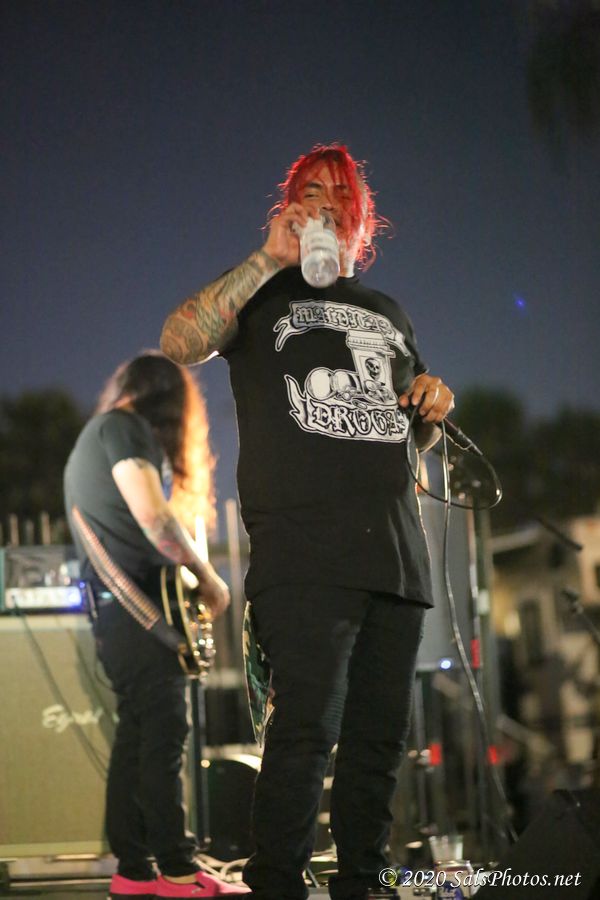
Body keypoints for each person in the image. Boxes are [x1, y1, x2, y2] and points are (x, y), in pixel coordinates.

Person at [160, 144, 455, 900]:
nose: (325, 201)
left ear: (361, 217)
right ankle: (278, 884)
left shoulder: (389, 313)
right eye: (309, 190)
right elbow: (178, 342)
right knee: (304, 734)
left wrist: (429, 408)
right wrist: (269, 256)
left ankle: (364, 883)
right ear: (289, 206)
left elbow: (400, 435)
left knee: (377, 746)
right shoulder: (260, 294)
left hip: (395, 557)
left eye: (339, 192)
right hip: (303, 554)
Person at [64, 351, 249, 900]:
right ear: (168, 400)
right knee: (165, 740)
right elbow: (153, 517)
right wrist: (209, 578)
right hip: (141, 616)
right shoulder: (123, 428)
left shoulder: (95, 435)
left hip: (118, 617)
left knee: (137, 740)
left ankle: (134, 871)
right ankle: (177, 871)